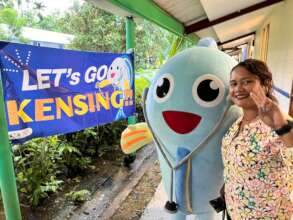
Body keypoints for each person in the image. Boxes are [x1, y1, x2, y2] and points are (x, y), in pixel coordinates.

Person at [221, 59, 293, 219]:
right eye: (233, 84)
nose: (238, 88)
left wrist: (279, 125)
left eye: (246, 81)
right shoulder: (238, 123)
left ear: (265, 85)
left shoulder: (280, 123)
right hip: (236, 210)